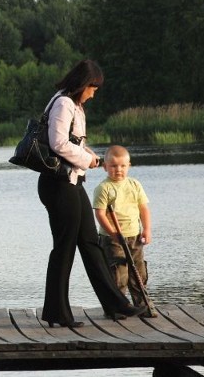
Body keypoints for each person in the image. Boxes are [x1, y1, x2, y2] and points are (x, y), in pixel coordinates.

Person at [37, 59, 146, 327]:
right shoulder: (63, 103)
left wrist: (89, 155)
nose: (94, 93)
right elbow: (58, 143)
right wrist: (87, 160)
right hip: (58, 184)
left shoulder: (74, 105)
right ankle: (57, 313)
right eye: (93, 88)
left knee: (90, 243)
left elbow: (72, 143)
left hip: (71, 182)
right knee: (64, 249)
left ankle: (116, 305)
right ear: (83, 84)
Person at [93, 145, 156, 317]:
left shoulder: (134, 185)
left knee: (138, 272)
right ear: (105, 167)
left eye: (122, 166)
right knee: (118, 273)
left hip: (134, 235)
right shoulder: (103, 188)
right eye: (113, 166)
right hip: (112, 238)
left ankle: (142, 304)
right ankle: (116, 307)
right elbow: (100, 214)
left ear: (129, 166)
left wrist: (147, 230)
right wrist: (113, 233)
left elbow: (143, 209)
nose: (118, 170)